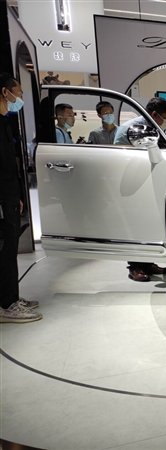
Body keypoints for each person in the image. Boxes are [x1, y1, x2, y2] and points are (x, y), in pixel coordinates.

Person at [113, 97, 166, 281]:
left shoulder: (151, 127)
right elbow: (123, 157)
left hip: (146, 179)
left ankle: (147, 263)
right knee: (135, 222)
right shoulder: (134, 129)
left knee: (147, 221)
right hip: (131, 180)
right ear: (154, 114)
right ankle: (135, 266)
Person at [0, 73, 42, 323]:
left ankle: (11, 298)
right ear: (5, 92)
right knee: (5, 251)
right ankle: (7, 305)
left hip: (9, 195)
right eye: (18, 92)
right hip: (2, 199)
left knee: (10, 250)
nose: (21, 97)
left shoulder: (5, 122)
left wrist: (15, 194)